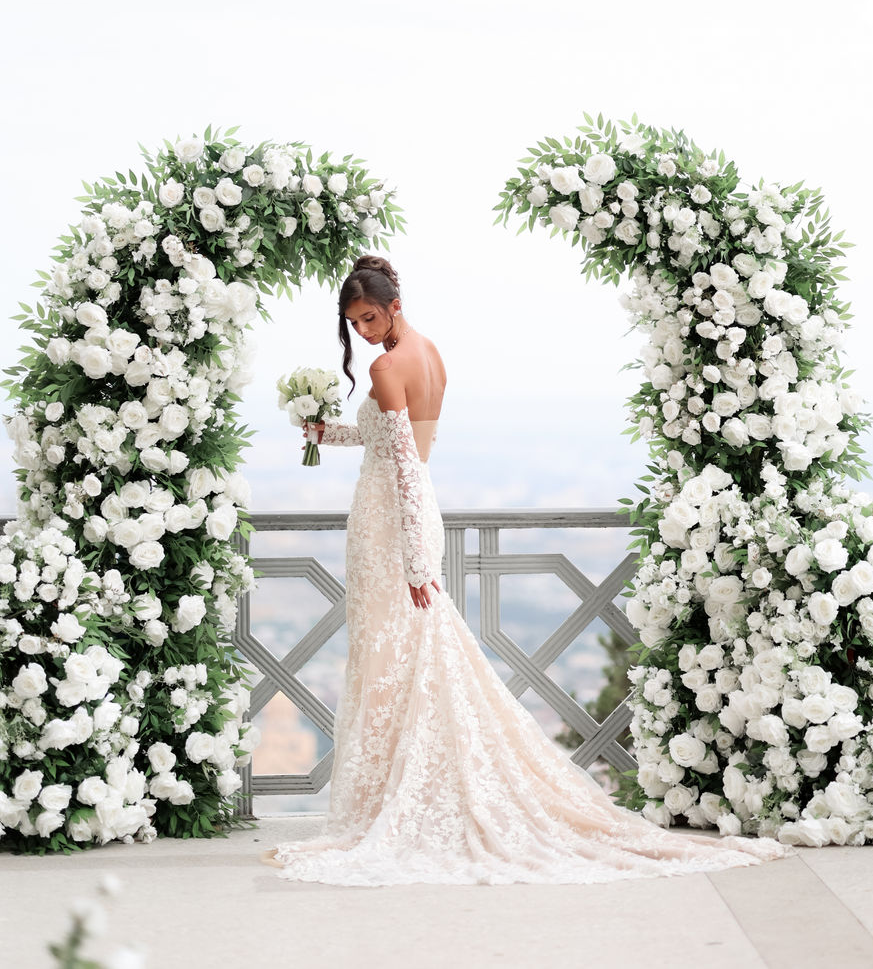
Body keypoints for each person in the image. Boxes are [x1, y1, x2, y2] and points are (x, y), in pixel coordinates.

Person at [264, 255, 791, 885]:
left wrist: (413, 560)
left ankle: (391, 800)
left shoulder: (383, 366)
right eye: (355, 324)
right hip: (414, 512)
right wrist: (330, 434)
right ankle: (405, 789)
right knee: (405, 657)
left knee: (389, 657)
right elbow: (408, 448)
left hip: (389, 522)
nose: (365, 333)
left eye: (371, 317)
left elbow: (401, 465)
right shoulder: (429, 353)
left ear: (393, 305)